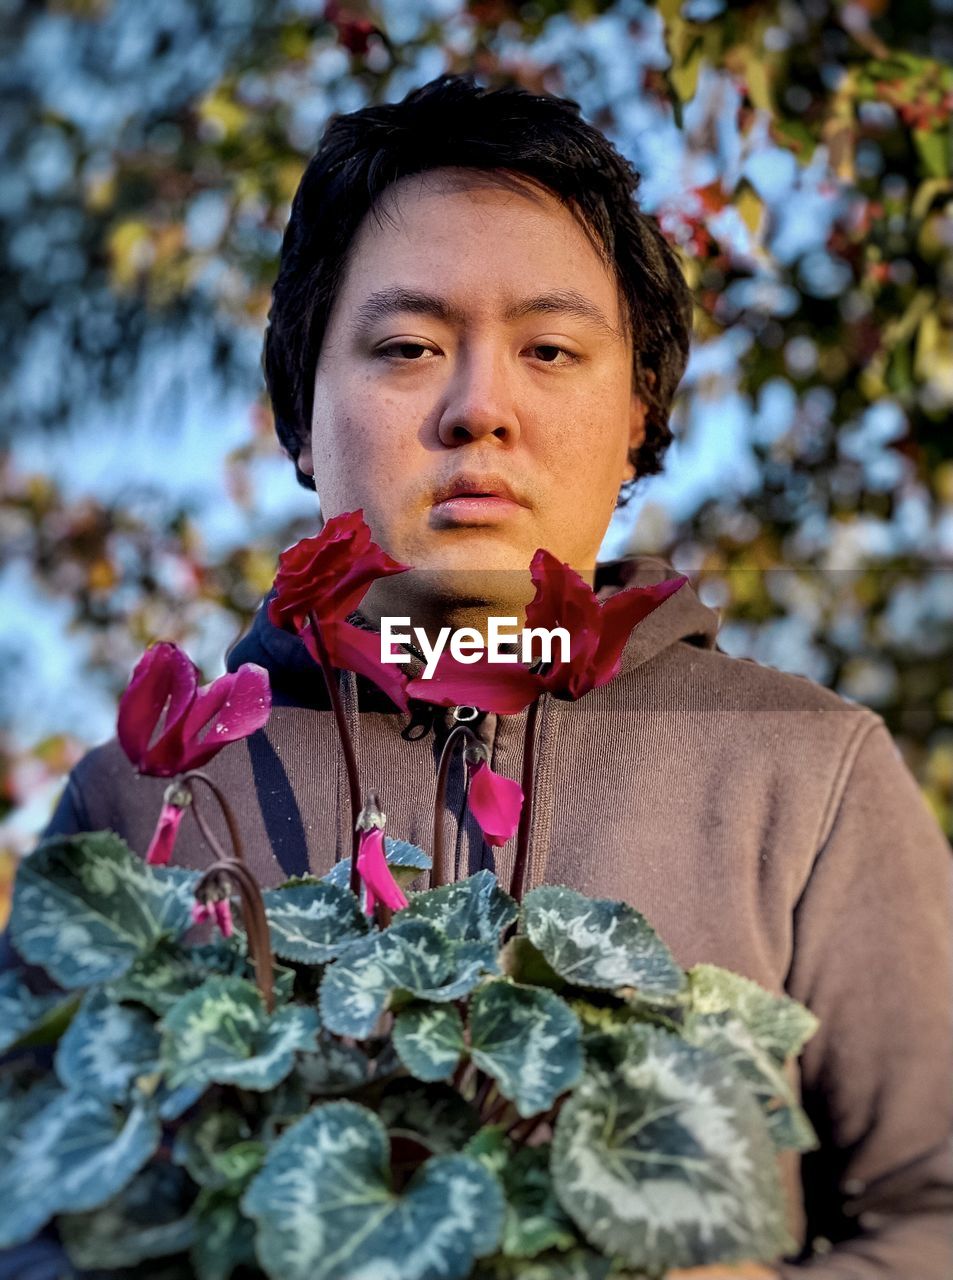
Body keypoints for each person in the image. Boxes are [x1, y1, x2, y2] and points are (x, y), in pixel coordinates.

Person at [4, 74, 952, 1279]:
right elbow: (24, 1212)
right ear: (299, 414)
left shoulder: (803, 772)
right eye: (407, 346)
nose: (478, 409)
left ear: (637, 418)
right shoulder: (143, 800)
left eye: (549, 348)